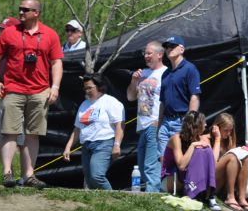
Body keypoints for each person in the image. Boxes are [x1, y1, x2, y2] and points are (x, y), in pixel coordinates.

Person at [0, 0, 63, 189]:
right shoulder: (9, 32)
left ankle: (29, 175)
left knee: (33, 134)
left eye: (25, 10)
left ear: (36, 13)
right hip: (13, 89)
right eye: (20, 9)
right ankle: (7, 173)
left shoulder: (50, 34)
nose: (21, 12)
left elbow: (56, 62)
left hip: (39, 91)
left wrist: (54, 87)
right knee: (9, 132)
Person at [62, 73, 125, 190]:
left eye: (90, 87)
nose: (87, 91)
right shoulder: (84, 105)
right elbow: (77, 128)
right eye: (85, 88)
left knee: (97, 176)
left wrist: (117, 145)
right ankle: (97, 206)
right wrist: (68, 147)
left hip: (104, 143)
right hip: (86, 145)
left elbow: (119, 125)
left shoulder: (110, 102)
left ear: (99, 86)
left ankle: (114, 201)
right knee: (90, 180)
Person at [0, 16, 29, 185]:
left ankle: (25, 176)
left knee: (20, 139)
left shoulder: (19, 50)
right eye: (0, 30)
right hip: (4, 98)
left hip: (18, 99)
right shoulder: (2, 52)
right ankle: (8, 173)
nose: (1, 33)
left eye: (4, 29)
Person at [126, 40, 167, 192]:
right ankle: (153, 195)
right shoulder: (143, 73)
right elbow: (130, 97)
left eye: (149, 53)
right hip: (142, 125)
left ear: (160, 54)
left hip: (154, 123)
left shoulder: (166, 73)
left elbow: (167, 100)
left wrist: (160, 122)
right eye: (145, 53)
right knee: (142, 167)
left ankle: (152, 199)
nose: (146, 56)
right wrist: (134, 81)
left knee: (151, 167)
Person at [162, 111, 221, 211]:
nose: (206, 125)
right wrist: (193, 146)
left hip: (186, 177)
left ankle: (209, 195)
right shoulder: (176, 138)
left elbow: (213, 161)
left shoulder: (200, 138)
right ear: (197, 125)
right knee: (198, 150)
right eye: (204, 122)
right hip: (172, 178)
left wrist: (217, 139)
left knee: (206, 150)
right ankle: (192, 194)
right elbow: (181, 165)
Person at [157, 36, 201, 154]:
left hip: (182, 121)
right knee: (164, 163)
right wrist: (159, 126)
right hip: (166, 122)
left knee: (181, 163)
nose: (169, 49)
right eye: (167, 47)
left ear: (182, 49)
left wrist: (189, 123)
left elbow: (195, 97)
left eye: (172, 46)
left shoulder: (190, 69)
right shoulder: (165, 73)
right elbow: (162, 102)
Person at [211, 113, 248, 211]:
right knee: (232, 156)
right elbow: (212, 163)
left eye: (230, 130)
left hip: (223, 181)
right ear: (217, 127)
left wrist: (241, 150)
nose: (228, 133)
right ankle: (230, 197)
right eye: (226, 130)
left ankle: (242, 198)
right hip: (211, 181)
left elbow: (234, 163)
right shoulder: (206, 139)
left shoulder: (229, 140)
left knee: (244, 156)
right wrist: (217, 139)